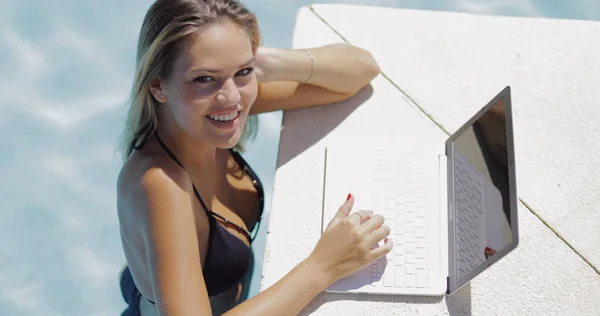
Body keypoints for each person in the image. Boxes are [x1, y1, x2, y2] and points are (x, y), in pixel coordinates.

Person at [116, 0, 391, 315]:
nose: (232, 97)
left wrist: (265, 61)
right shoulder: (160, 184)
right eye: (204, 78)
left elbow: (361, 70)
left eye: (242, 72)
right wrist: (324, 266)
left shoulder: (213, 113)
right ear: (158, 85)